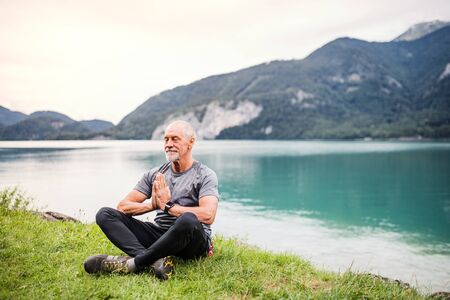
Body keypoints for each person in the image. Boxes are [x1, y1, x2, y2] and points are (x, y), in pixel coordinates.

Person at [83, 120, 219, 280]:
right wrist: (153, 205)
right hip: (161, 235)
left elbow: (208, 215)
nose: (168, 144)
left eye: (175, 139)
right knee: (105, 214)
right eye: (166, 139)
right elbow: (123, 206)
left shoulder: (205, 174)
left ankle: (133, 263)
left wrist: (168, 207)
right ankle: (155, 261)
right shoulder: (155, 173)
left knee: (188, 220)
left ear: (191, 142)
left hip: (192, 242)